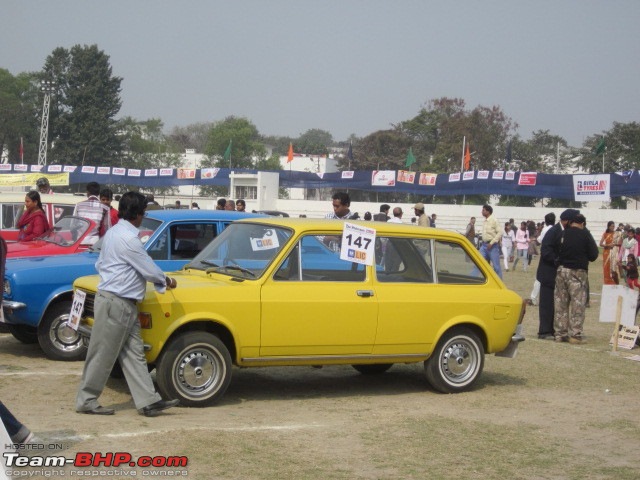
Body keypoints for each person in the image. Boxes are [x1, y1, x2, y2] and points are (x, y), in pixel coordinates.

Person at [76, 192, 179, 417]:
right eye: (144, 211)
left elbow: (101, 263)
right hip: (118, 302)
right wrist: (167, 281)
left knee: (134, 355)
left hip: (121, 302)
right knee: (103, 354)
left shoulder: (114, 231)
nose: (144, 215)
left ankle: (148, 401)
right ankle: (86, 400)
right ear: (139, 214)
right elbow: (149, 269)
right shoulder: (129, 239)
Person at [554, 213, 599, 344]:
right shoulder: (585, 234)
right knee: (577, 303)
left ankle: (560, 334)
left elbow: (556, 251)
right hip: (577, 272)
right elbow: (593, 255)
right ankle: (575, 334)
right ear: (582, 224)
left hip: (562, 271)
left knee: (560, 303)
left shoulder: (563, 233)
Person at [536, 209, 577, 339]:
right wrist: (556, 260)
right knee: (547, 303)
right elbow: (545, 250)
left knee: (558, 304)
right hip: (548, 273)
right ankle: (544, 331)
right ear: (567, 221)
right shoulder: (553, 232)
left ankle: (555, 329)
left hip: (559, 274)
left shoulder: (567, 232)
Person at [530, 213, 556, 306]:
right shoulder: (557, 230)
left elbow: (538, 242)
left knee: (539, 277)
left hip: (545, 256)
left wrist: (533, 240)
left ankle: (533, 298)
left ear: (545, 221)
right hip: (555, 256)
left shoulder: (545, 229)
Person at [479, 204, 502, 278]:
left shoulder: (494, 220)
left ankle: (500, 285)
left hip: (492, 246)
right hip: (484, 246)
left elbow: (500, 232)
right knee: (480, 262)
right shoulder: (485, 221)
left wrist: (492, 243)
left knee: (496, 267)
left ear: (488, 211)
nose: (482, 212)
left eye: (483, 210)